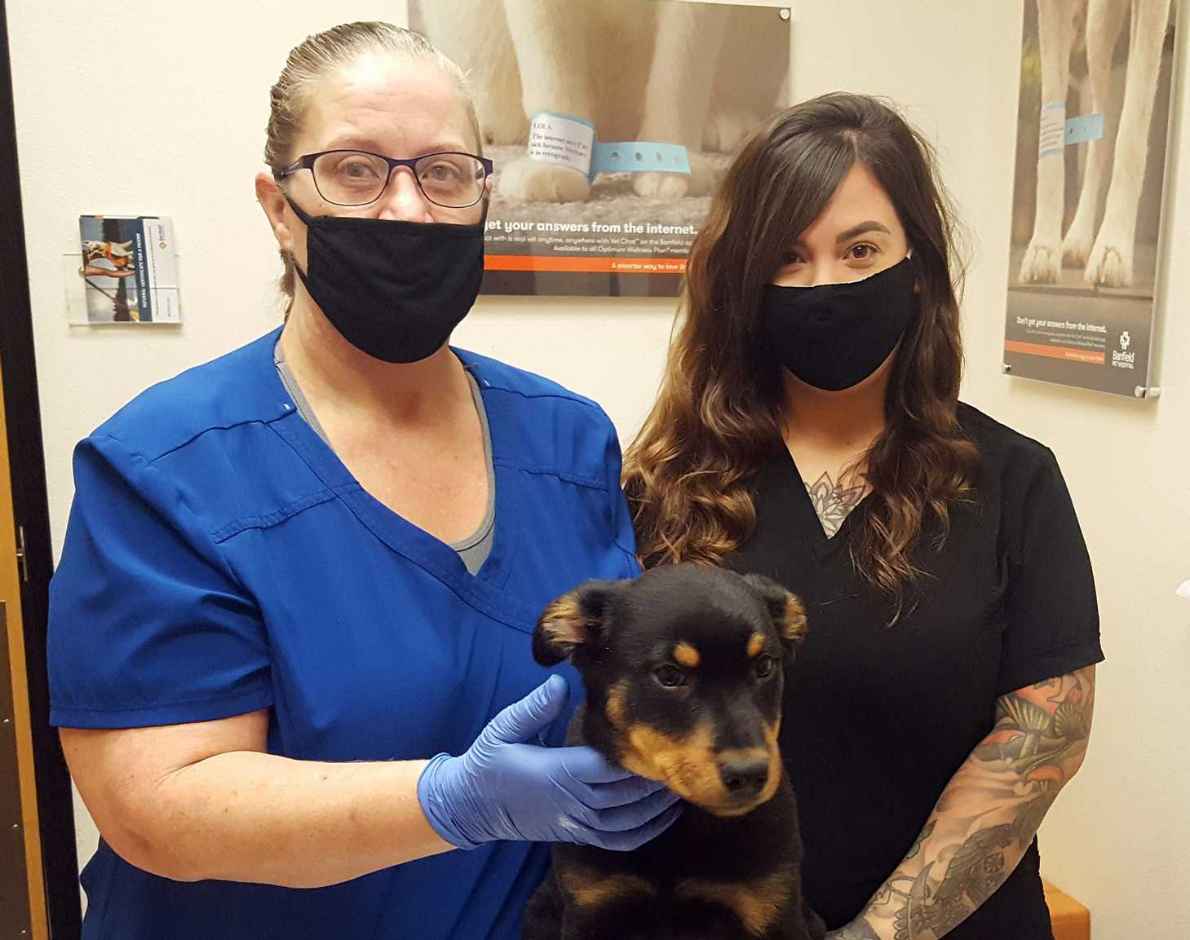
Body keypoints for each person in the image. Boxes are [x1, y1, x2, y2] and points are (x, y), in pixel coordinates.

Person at [47, 22, 678, 940]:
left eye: (445, 173)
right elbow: (157, 811)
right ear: (277, 205)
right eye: (356, 169)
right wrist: (451, 801)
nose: (410, 210)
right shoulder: (167, 466)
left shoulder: (567, 439)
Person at [624, 93, 1103, 939]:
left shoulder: (1015, 481)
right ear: (744, 279)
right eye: (788, 257)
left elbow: (1041, 744)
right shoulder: (665, 482)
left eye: (860, 249)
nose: (826, 285)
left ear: (915, 264)